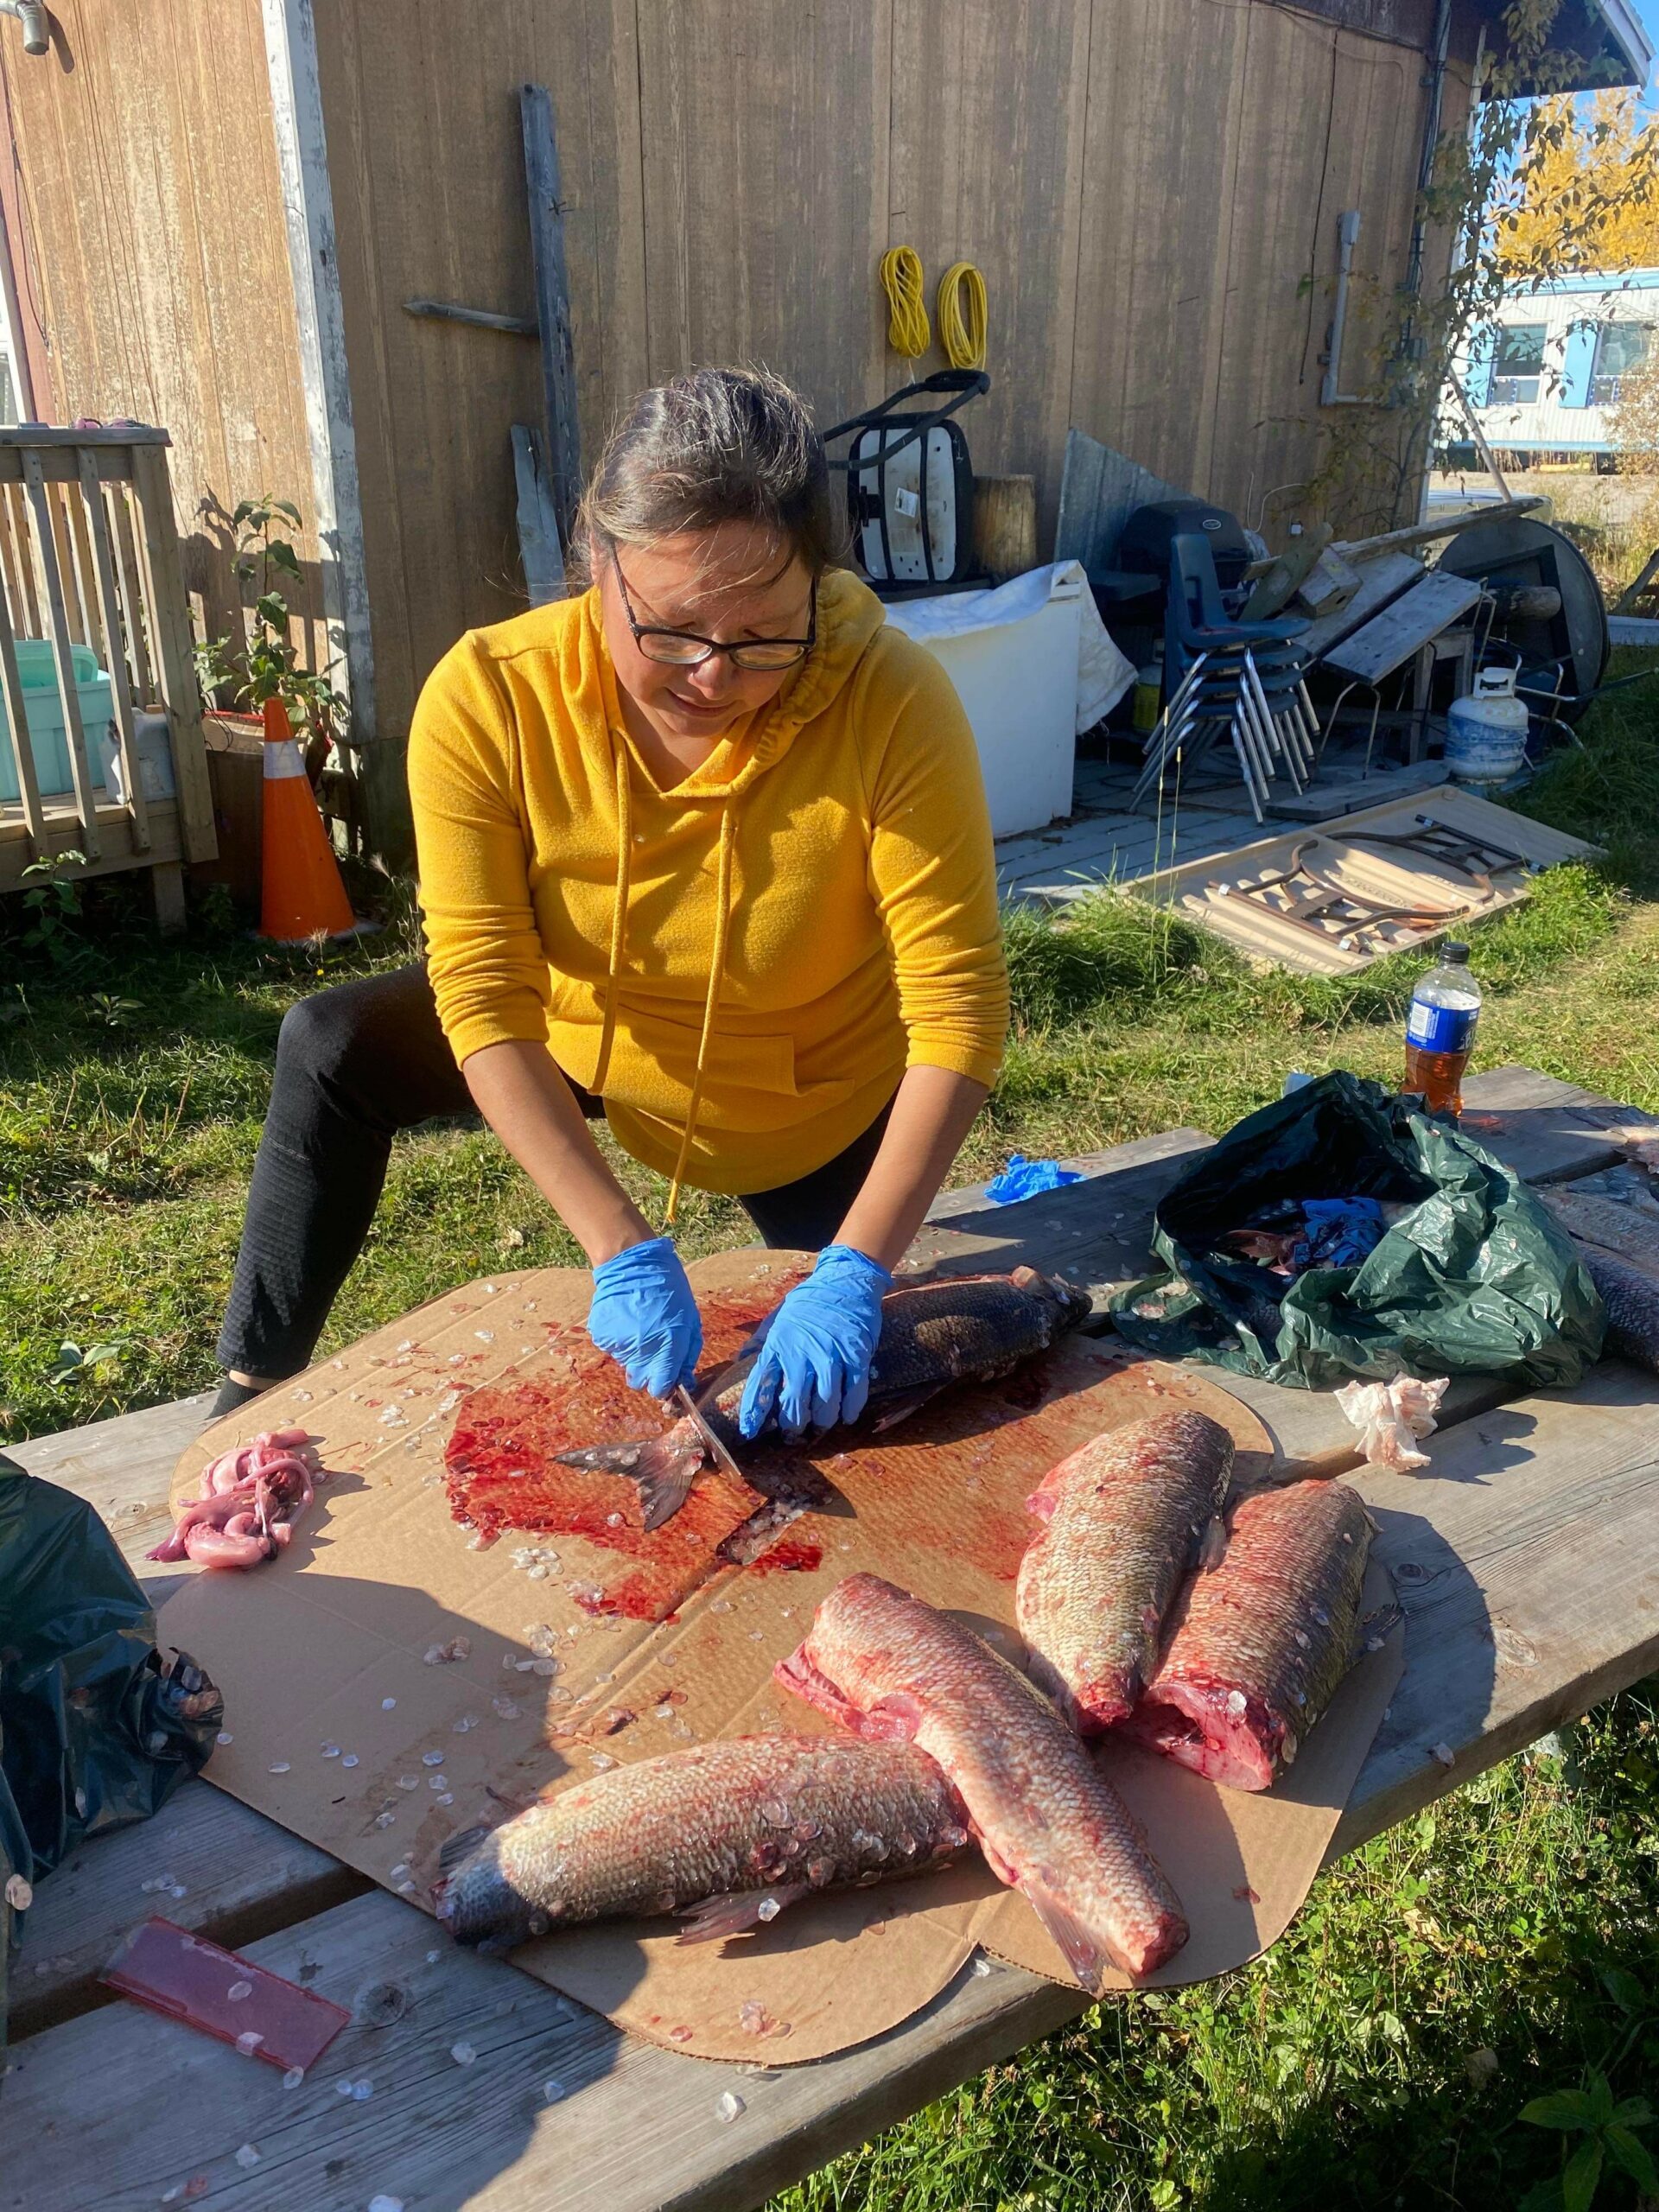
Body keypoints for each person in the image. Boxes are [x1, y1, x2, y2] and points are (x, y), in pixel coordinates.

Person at [210, 365, 1007, 1440]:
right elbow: (485, 991)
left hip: (806, 1095)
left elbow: (957, 1015)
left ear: (820, 583)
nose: (716, 678)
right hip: (604, 1045)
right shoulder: (492, 695)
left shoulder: (895, 704)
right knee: (333, 1041)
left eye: (767, 636)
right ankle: (247, 1395)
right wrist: (618, 1243)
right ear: (599, 562)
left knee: (868, 1416)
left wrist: (856, 1269)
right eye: (671, 633)